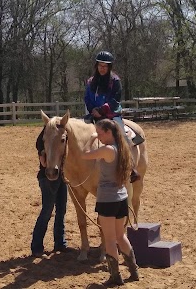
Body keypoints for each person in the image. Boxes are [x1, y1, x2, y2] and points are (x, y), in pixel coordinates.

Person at [81, 118, 139, 285]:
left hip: (107, 199)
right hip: (121, 197)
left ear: (108, 132)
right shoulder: (122, 147)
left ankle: (115, 276)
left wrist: (91, 139)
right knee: (121, 236)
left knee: (110, 239)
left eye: (100, 133)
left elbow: (85, 154)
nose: (98, 136)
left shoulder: (107, 150)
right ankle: (133, 270)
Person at [84, 51, 142, 182]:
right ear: (96, 66)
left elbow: (115, 99)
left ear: (109, 67)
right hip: (94, 114)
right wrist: (93, 109)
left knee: (123, 135)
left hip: (111, 114)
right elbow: (87, 97)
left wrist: (101, 110)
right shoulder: (91, 82)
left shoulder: (115, 81)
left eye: (105, 66)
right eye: (100, 65)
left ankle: (131, 168)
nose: (102, 68)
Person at [30, 126, 68, 257]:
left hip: (61, 177)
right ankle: (37, 246)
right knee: (47, 211)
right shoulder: (44, 146)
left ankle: (60, 242)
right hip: (47, 179)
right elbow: (45, 164)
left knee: (61, 210)